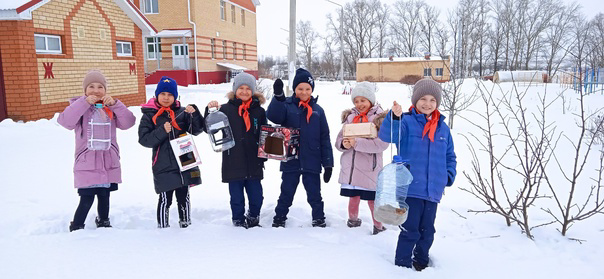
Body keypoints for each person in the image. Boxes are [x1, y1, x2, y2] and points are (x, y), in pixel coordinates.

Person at [378, 78, 457, 271]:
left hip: (432, 190)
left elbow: (450, 155)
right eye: (423, 98)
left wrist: (448, 175)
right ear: (415, 100)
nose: (427, 103)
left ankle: (421, 261)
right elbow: (387, 135)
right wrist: (394, 117)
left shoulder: (443, 129)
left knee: (427, 231)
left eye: (432, 99)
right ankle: (402, 265)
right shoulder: (406, 122)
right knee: (410, 230)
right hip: (410, 188)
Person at [58, 70, 136, 232]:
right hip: (87, 162)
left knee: (104, 195)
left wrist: (116, 105)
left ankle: (103, 220)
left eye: (100, 87)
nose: (96, 90)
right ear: (85, 90)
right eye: (91, 86)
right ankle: (77, 225)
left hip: (108, 161)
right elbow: (65, 121)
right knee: (86, 198)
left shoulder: (109, 108)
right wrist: (84, 103)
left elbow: (128, 122)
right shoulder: (79, 107)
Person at [268, 68, 334, 228]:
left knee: (314, 194)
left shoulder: (318, 111)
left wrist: (328, 164)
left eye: (307, 89)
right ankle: (279, 217)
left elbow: (325, 137)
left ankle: (318, 218)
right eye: (300, 89)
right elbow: (273, 116)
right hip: (291, 159)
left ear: (312, 90)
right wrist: (278, 98)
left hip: (312, 159)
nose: (304, 92)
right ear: (294, 89)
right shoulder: (287, 106)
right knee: (286, 192)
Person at [138, 76, 204, 228]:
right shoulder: (149, 115)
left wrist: (193, 114)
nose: (166, 98)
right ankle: (162, 227)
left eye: (170, 95)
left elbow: (197, 130)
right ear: (157, 95)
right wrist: (162, 131)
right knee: (165, 199)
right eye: (163, 94)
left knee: (184, 197)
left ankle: (186, 225)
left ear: (175, 96)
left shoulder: (181, 112)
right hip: (163, 164)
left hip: (185, 161)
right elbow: (144, 140)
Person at [205, 72, 267, 228]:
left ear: (253, 91)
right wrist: (210, 111)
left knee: (256, 196)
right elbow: (210, 128)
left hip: (254, 161)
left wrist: (265, 153)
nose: (244, 91)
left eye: (248, 88)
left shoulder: (259, 111)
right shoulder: (225, 109)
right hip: (233, 160)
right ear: (234, 90)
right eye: (241, 88)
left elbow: (265, 134)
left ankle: (253, 217)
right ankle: (238, 220)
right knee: (236, 197)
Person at [335, 81, 389, 235]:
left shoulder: (379, 119)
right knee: (353, 198)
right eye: (356, 101)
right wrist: (344, 144)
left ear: (371, 100)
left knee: (372, 201)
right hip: (351, 169)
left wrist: (357, 143)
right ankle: (353, 221)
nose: (359, 104)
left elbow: (381, 144)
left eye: (363, 100)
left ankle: (378, 226)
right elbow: (338, 140)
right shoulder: (350, 118)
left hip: (369, 169)